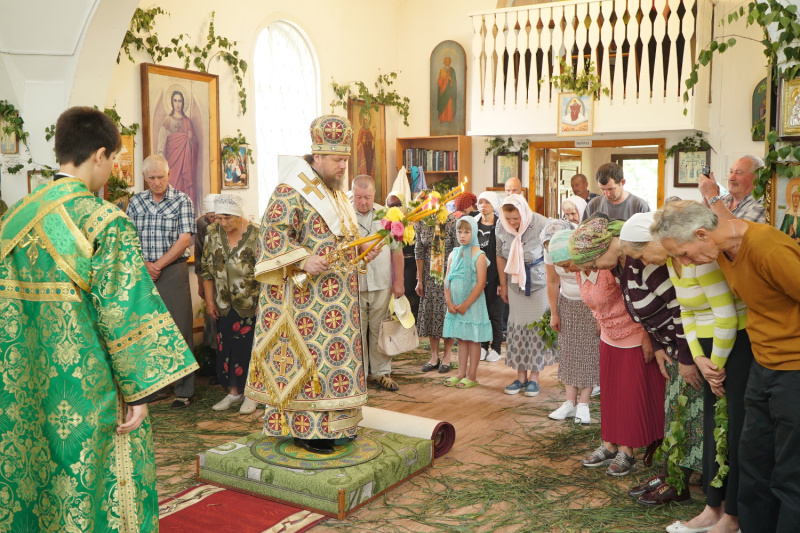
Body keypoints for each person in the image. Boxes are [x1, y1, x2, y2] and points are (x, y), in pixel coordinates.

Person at [0, 106, 197, 532]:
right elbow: (124, 313)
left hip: (22, 383)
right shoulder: (104, 222)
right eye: (113, 162)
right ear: (101, 155)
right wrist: (141, 392)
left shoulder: (14, 219)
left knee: (32, 478)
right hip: (89, 391)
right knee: (93, 485)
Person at [654, 200, 800, 533]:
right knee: (752, 458)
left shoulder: (768, 249)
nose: (684, 263)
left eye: (684, 253)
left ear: (702, 233)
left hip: (793, 368)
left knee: (790, 469)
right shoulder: (722, 251)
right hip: (762, 363)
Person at [246, 115, 377, 455]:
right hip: (307, 304)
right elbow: (271, 235)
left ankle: (337, 424)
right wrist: (302, 259)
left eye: (345, 159)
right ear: (317, 157)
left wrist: (366, 251)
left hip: (340, 303)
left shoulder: (337, 196)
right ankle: (307, 429)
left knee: (336, 363)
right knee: (313, 365)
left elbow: (345, 242)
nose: (342, 166)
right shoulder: (291, 190)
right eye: (337, 160)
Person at [649, 207, 752, 533]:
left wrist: (716, 366)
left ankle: (732, 516)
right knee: (712, 428)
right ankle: (713, 507)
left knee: (733, 433)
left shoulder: (704, 261)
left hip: (734, 348)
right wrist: (697, 357)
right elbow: (687, 314)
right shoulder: (676, 261)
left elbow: (727, 318)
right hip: (709, 354)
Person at [616, 213, 702, 506]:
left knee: (689, 419)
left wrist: (687, 358)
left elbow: (681, 312)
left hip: (691, 353)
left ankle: (679, 482)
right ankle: (670, 476)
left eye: (640, 253)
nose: (638, 260)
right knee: (676, 417)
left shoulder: (663, 266)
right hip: (676, 352)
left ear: (655, 240)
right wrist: (658, 343)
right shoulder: (650, 261)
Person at [569, 217, 665, 476]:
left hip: (634, 334)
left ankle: (627, 450)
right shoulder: (609, 262)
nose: (591, 267)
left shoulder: (629, 259)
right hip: (610, 335)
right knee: (611, 395)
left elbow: (641, 301)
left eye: (592, 262)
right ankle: (608, 444)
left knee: (630, 395)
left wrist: (647, 335)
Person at [127, 154, 196, 409]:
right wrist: (145, 264)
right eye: (151, 178)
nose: (156, 182)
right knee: (147, 330)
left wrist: (158, 265)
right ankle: (156, 387)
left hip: (173, 271)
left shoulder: (182, 200)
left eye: (161, 177)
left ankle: (184, 390)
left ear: (169, 175)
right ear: (145, 177)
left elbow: (184, 240)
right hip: (142, 272)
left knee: (179, 329)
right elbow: (129, 237)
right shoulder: (136, 202)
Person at [201, 194, 260, 414]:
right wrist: (209, 302)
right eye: (218, 218)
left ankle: (252, 393)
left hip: (250, 303)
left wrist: (262, 303)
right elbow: (206, 268)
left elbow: (265, 273)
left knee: (249, 350)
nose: (223, 223)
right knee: (226, 349)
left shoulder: (256, 234)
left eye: (227, 218)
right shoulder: (212, 233)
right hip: (224, 303)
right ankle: (234, 393)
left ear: (238, 214)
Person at [497, 194, 553, 397]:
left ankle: (534, 377)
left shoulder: (542, 223)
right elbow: (500, 255)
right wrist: (503, 285)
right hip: (514, 284)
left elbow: (551, 257)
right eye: (508, 219)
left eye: (516, 218)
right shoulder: (501, 225)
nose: (512, 223)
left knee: (536, 329)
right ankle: (520, 377)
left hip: (538, 283)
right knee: (517, 328)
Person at [353, 174, 405, 392]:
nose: (363, 202)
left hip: (382, 282)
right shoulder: (344, 215)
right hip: (354, 283)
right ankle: (359, 375)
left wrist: (399, 281)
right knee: (356, 330)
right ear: (352, 194)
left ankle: (381, 373)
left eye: (367, 197)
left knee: (380, 328)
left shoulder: (387, 215)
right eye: (358, 197)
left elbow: (397, 251)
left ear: (375, 194)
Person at [544, 223, 599, 424]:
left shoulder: (583, 251)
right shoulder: (550, 249)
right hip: (567, 301)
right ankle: (570, 402)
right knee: (569, 350)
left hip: (590, 303)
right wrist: (554, 313)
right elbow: (552, 281)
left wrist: (599, 312)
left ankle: (584, 404)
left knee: (589, 351)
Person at [442, 216, 492, 388]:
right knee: (462, 338)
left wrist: (466, 304)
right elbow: (447, 279)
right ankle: (461, 373)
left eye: (467, 232)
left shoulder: (479, 255)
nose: (462, 235)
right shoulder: (453, 254)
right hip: (455, 305)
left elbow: (480, 284)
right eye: (459, 231)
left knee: (473, 339)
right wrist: (449, 301)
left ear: (474, 233)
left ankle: (472, 375)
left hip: (472, 305)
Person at [416, 191, 457, 374]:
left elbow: (457, 251)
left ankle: (447, 357)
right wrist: (419, 279)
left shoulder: (451, 221)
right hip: (429, 276)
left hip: (448, 274)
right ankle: (434, 356)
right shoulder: (421, 221)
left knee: (447, 314)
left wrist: (454, 277)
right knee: (432, 313)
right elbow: (419, 251)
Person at [157, 89, 199, 210]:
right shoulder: (167, 120)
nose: (177, 104)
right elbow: (161, 143)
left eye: (180, 101)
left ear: (183, 103)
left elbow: (194, 147)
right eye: (175, 100)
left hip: (185, 164)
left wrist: (191, 140)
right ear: (171, 102)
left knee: (183, 187)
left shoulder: (187, 121)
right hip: (171, 162)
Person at [474, 191, 503, 362]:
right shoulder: (474, 223)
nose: (483, 206)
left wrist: (501, 281)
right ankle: (483, 345)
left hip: (495, 276)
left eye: (487, 202)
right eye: (480, 202)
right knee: (481, 313)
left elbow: (503, 255)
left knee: (495, 313)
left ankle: (497, 348)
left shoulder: (500, 225)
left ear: (493, 205)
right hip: (478, 276)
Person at [698, 155, 766, 224]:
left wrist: (711, 195)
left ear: (756, 178)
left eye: (738, 173)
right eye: (731, 172)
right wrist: (706, 199)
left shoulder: (761, 205)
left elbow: (740, 232)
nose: (731, 178)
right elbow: (694, 222)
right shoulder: (722, 199)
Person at [583, 163, 650, 221]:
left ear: (622, 182)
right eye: (602, 189)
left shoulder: (640, 206)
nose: (607, 194)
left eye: (611, 189)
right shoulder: (593, 205)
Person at [196, 193, 219, 360]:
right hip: (209, 276)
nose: (214, 221)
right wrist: (200, 283)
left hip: (227, 277)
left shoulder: (229, 222)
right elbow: (199, 257)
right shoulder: (202, 224)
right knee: (211, 317)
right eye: (211, 217)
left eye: (216, 217)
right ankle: (212, 361)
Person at [437, 56, 456, 123]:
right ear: (444, 62)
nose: (447, 62)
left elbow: (454, 81)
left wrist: (451, 80)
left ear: (450, 62)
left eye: (448, 61)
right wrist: (442, 79)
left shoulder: (452, 71)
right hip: (443, 89)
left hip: (449, 90)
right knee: (443, 104)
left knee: (449, 104)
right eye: (446, 61)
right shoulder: (442, 70)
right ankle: (442, 118)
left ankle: (450, 118)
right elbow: (439, 82)